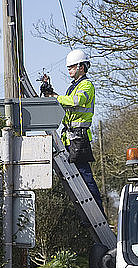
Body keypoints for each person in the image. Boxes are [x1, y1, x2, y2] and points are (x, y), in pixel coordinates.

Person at [41, 49, 104, 213]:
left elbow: (77, 101)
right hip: (69, 138)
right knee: (76, 178)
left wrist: (56, 98)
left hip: (79, 137)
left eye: (72, 67)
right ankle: (87, 212)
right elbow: (65, 102)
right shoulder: (72, 87)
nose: (69, 70)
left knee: (85, 176)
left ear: (81, 67)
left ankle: (97, 211)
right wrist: (51, 93)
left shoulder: (86, 85)